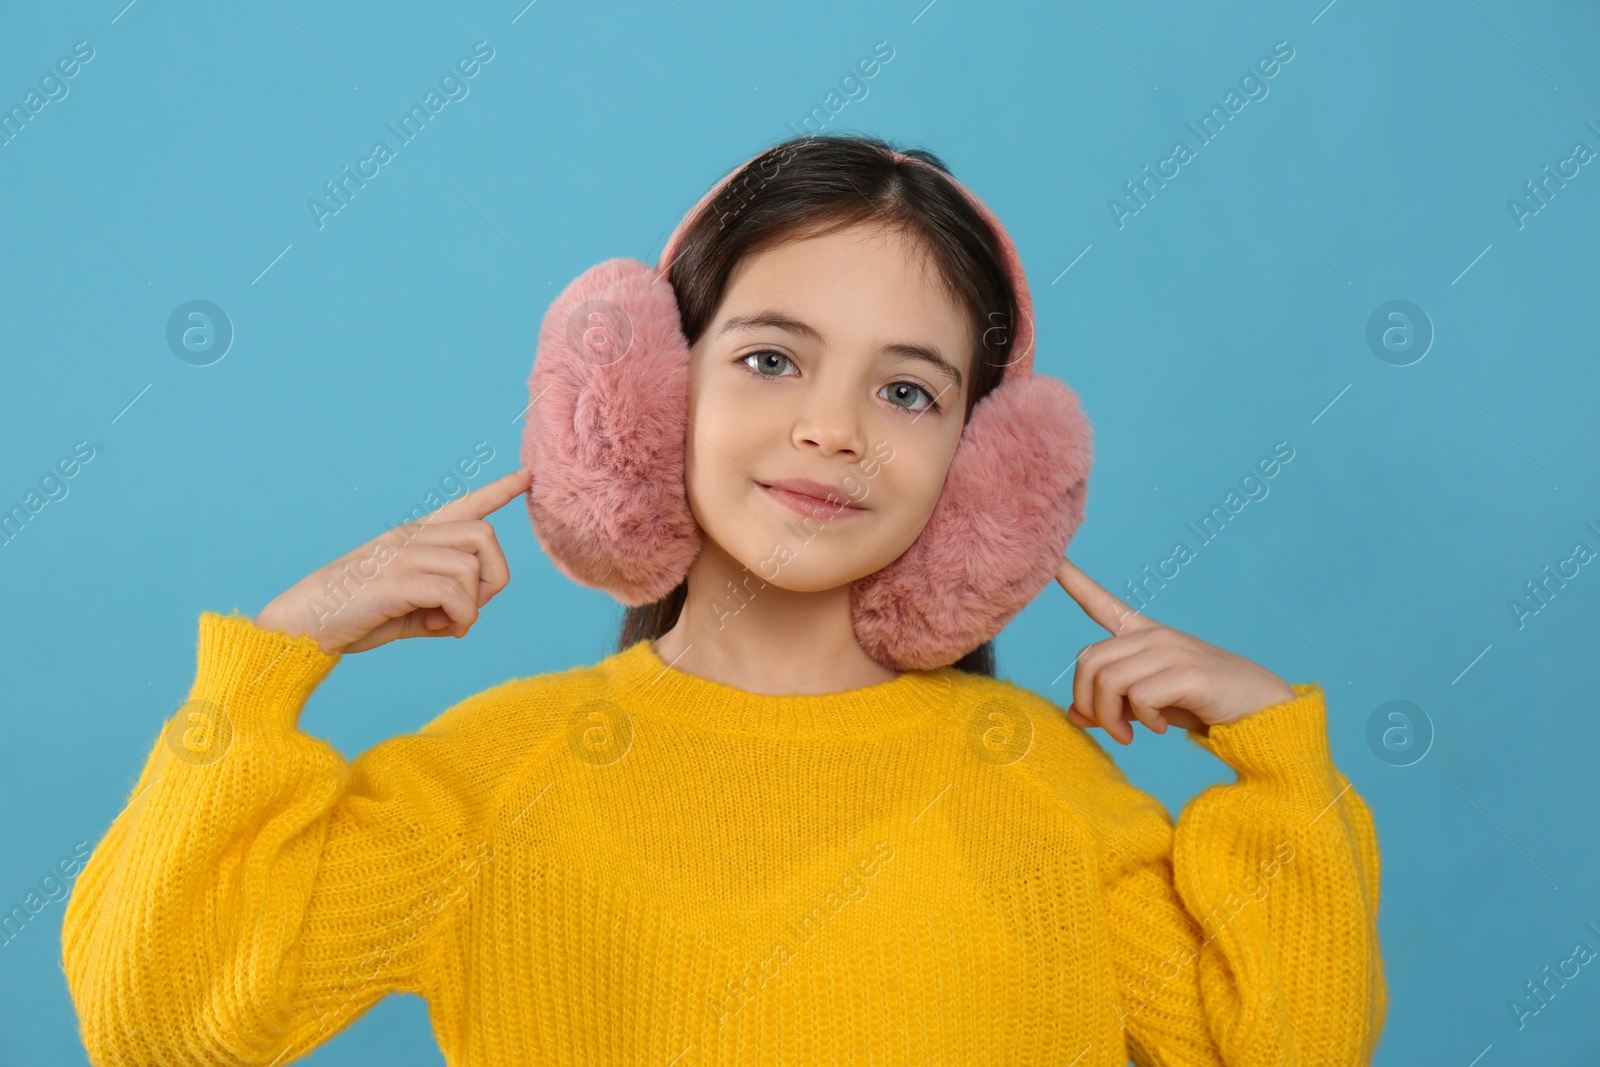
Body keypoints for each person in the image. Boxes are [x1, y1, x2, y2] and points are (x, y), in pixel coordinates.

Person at [61, 134, 1386, 1066]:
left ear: (984, 477)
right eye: (768, 358)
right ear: (643, 400)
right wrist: (269, 666)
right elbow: (156, 1027)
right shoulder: (493, 782)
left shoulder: (1046, 787)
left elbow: (1286, 1051)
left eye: (908, 390)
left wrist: (1283, 770)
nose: (831, 428)